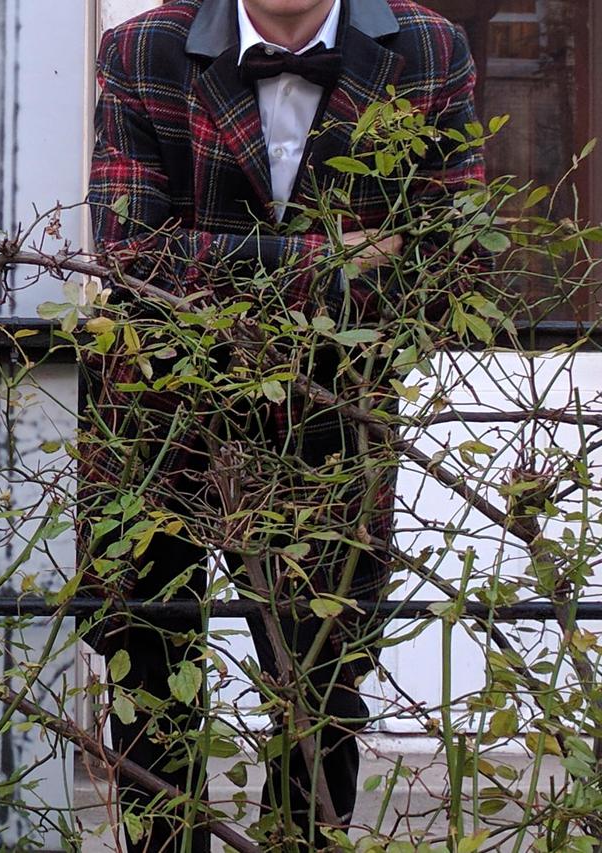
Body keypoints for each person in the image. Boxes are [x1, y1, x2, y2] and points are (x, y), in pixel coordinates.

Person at [84, 0, 484, 849]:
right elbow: (131, 253)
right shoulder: (144, 48)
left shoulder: (427, 48)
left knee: (323, 689)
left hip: (332, 423)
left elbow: (453, 261)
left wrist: (213, 263)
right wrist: (334, 260)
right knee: (149, 680)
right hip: (160, 419)